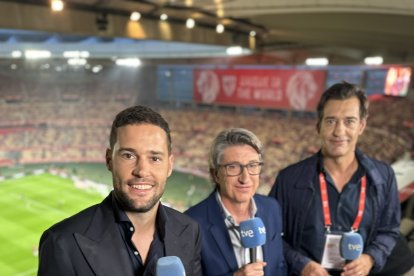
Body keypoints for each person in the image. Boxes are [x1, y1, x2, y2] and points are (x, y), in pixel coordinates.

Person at [38, 105, 202, 276]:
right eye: (128, 156)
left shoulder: (190, 231)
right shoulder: (61, 243)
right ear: (109, 160)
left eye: (155, 158)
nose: (142, 171)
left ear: (169, 166)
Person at [269, 82, 401, 276]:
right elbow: (270, 235)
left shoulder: (384, 177)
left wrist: (370, 258)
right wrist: (301, 264)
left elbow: (389, 230)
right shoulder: (289, 179)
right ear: (318, 125)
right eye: (331, 121)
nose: (339, 131)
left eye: (349, 121)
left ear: (361, 126)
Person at [185, 128, 287, 276]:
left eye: (252, 166)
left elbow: (279, 266)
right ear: (215, 174)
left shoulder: (272, 208)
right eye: (232, 167)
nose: (245, 178)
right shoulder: (190, 223)